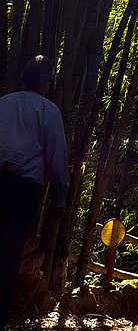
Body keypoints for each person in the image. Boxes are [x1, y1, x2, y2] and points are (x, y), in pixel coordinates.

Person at [0, 55, 69, 331]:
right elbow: (56, 161)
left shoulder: (4, 103)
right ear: (43, 81)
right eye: (49, 78)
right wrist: (60, 198)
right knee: (7, 257)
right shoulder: (48, 111)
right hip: (22, 191)